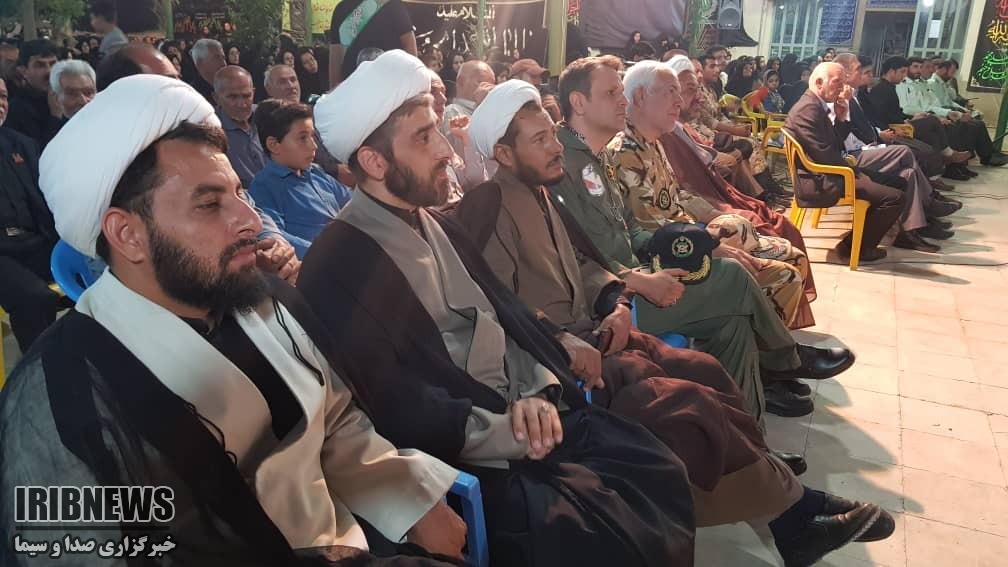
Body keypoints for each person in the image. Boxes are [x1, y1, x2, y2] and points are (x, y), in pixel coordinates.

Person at [1, 74, 466, 567]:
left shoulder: (258, 298)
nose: (250, 220)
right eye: (210, 205)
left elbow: (334, 420)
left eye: (240, 194)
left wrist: (411, 500)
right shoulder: (62, 400)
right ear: (127, 234)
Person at [457, 78, 895, 567]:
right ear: (503, 153)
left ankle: (785, 506)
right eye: (540, 139)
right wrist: (564, 338)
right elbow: (500, 305)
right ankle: (793, 511)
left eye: (551, 134)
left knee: (706, 372)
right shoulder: (490, 205)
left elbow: (585, 264)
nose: (555, 145)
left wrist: (615, 301)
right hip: (561, 361)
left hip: (599, 331)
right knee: (685, 406)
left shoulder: (539, 190)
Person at [304, 49, 697, 567]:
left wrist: (537, 386)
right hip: (473, 451)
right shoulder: (338, 261)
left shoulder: (433, 222)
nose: (446, 150)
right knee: (601, 535)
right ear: (374, 162)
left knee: (657, 464)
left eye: (436, 131)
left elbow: (508, 314)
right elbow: (395, 401)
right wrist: (510, 428)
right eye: (423, 137)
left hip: (529, 412)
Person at [549, 55, 854, 422]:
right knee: (733, 275)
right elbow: (575, 256)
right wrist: (642, 280)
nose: (622, 100)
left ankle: (747, 435)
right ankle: (786, 358)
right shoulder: (563, 165)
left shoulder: (595, 158)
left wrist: (688, 248)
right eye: (611, 93)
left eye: (621, 90)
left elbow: (632, 229)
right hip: (611, 304)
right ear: (579, 102)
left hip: (639, 276)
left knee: (733, 326)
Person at [612, 61, 809, 334]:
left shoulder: (652, 142)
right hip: (671, 256)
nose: (679, 101)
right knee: (786, 274)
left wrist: (714, 218)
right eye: (670, 91)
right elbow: (652, 227)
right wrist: (709, 246)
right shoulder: (624, 151)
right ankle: (769, 348)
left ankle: (768, 346)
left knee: (786, 252)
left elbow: (677, 196)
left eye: (679, 92)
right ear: (639, 96)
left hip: (687, 236)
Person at [831, 53, 961, 249]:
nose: (869, 76)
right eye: (861, 70)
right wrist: (875, 142)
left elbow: (863, 126)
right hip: (851, 157)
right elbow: (844, 137)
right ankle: (929, 201)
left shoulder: (855, 95)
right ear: (845, 74)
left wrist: (877, 138)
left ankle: (912, 229)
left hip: (866, 146)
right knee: (904, 152)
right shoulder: (837, 99)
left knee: (908, 173)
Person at [784, 62, 906, 262]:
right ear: (819, 82)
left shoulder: (816, 104)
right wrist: (856, 172)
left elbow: (834, 144)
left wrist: (841, 118)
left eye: (843, 82)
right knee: (895, 197)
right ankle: (856, 247)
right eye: (837, 82)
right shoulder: (808, 108)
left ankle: (868, 237)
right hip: (821, 180)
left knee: (900, 183)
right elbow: (825, 155)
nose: (842, 88)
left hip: (831, 171)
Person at [0, 77, 68, 354]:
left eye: (3, 97)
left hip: (34, 240)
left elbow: (47, 196)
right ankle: (40, 370)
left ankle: (90, 358)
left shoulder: (22, 144)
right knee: (36, 298)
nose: (0, 104)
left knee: (103, 276)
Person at [248, 101, 351, 258]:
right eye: (303, 138)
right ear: (274, 145)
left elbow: (352, 203)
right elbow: (277, 237)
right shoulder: (263, 186)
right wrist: (327, 252)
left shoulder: (317, 173)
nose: (314, 146)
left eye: (312, 136)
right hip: (320, 262)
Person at [863, 56, 975, 179]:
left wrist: (910, 118)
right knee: (933, 121)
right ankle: (948, 154)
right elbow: (882, 117)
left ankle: (934, 176)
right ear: (891, 71)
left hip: (899, 124)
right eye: (902, 72)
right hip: (893, 129)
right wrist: (907, 120)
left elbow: (896, 112)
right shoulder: (881, 89)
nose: (904, 76)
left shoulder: (889, 87)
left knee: (933, 136)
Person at [896, 57, 1004, 167]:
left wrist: (948, 113)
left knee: (969, 125)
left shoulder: (919, 84)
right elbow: (907, 109)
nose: (920, 70)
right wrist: (940, 115)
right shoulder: (903, 85)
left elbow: (933, 104)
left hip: (930, 115)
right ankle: (955, 165)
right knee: (954, 127)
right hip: (914, 119)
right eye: (916, 67)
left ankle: (965, 162)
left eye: (920, 67)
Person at [328, 0, 417, 88]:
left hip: (389, 88)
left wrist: (410, 85)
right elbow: (336, 56)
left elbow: (409, 45)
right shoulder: (341, 9)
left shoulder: (394, 5)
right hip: (352, 88)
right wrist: (334, 90)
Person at [214, 66, 266, 188]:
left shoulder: (268, 115)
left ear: (253, 92)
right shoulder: (211, 131)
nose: (242, 104)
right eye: (232, 97)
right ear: (216, 98)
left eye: (247, 96)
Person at [5, 40, 62, 148]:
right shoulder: (16, 110)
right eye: (40, 65)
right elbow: (34, 152)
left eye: (53, 64)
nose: (49, 71)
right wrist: (55, 117)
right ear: (23, 71)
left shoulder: (69, 97)